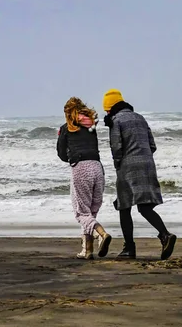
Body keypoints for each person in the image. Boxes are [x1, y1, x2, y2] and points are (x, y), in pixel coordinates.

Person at [102, 89, 176, 260]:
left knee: (124, 206)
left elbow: (117, 149)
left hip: (128, 167)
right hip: (148, 164)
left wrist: (118, 167)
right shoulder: (140, 118)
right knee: (144, 207)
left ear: (110, 108)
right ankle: (164, 235)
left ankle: (129, 248)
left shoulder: (116, 120)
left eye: (106, 109)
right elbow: (152, 145)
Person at [57, 97, 112, 260]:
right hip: (97, 166)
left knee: (82, 213)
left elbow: (61, 153)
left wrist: (71, 158)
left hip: (81, 167)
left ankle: (101, 233)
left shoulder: (66, 128)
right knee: (91, 211)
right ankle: (87, 250)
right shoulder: (91, 126)